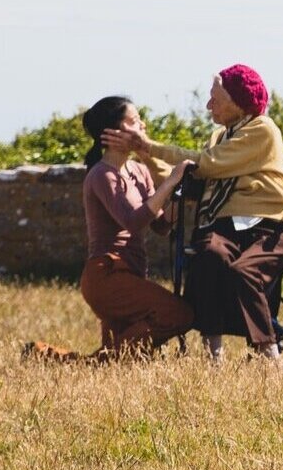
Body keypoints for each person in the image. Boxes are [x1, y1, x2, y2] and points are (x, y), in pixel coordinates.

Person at [106, 64, 283, 361]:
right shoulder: (219, 137)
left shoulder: (261, 129)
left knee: (243, 271)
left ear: (236, 102)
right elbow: (185, 174)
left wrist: (150, 146)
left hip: (268, 228)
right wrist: (146, 153)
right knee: (207, 257)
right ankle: (213, 355)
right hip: (224, 226)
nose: (209, 105)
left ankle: (267, 351)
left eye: (215, 99)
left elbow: (208, 164)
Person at [23, 97, 196, 361]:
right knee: (178, 314)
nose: (142, 126)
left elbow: (160, 224)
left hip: (132, 273)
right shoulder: (102, 175)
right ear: (113, 132)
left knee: (119, 359)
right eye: (134, 121)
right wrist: (170, 182)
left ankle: (46, 355)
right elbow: (133, 220)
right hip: (107, 275)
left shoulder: (139, 170)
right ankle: (86, 363)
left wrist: (186, 197)